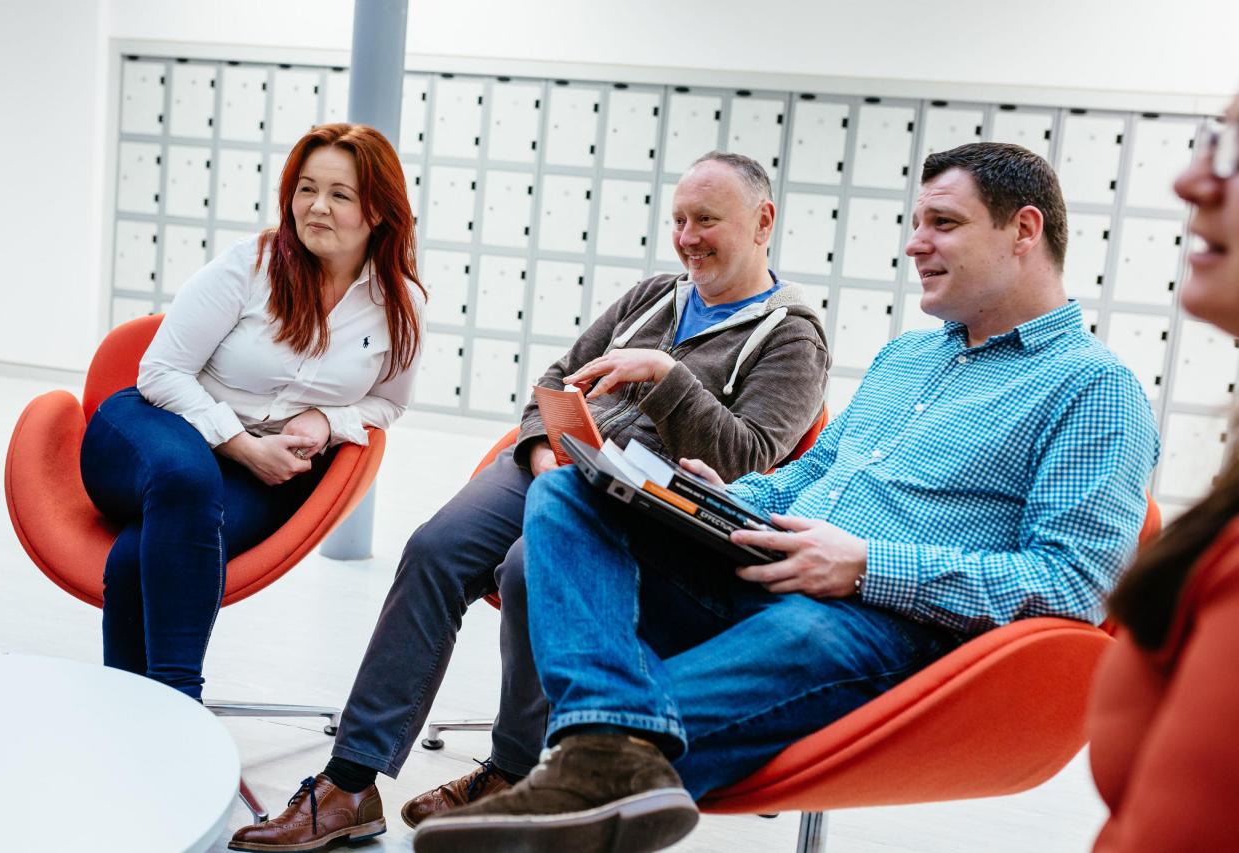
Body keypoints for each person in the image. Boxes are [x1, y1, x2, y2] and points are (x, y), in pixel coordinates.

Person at [411, 141, 1161, 853]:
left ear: (1023, 230)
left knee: (802, 631)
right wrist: (724, 495)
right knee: (574, 492)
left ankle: (593, 758)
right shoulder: (907, 356)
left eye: (944, 224)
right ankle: (607, 752)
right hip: (762, 560)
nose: (913, 244)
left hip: (878, 622)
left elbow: (1074, 585)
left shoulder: (1094, 388)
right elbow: (815, 472)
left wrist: (865, 566)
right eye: (915, 223)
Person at [228, 151, 831, 852]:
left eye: (707, 221)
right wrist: (544, 450)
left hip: (649, 512)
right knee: (434, 549)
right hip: (560, 466)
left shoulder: (790, 334)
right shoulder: (653, 297)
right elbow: (556, 379)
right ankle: (351, 783)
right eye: (679, 220)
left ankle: (511, 772)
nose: (688, 237)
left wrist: (666, 377)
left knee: (527, 567)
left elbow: (745, 455)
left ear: (762, 222)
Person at [80, 123, 425, 716]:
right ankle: (179, 707)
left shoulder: (400, 304)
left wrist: (327, 417)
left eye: (339, 195)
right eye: (306, 188)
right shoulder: (250, 266)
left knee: (140, 552)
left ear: (379, 211)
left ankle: (127, 716)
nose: (316, 207)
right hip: (151, 430)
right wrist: (239, 444)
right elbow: (159, 373)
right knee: (186, 479)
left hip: (259, 474)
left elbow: (388, 403)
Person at [1086, 97, 1239, 852]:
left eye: (1234, 151)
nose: (1189, 180)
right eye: (1213, 139)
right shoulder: (908, 359)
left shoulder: (1094, 386)